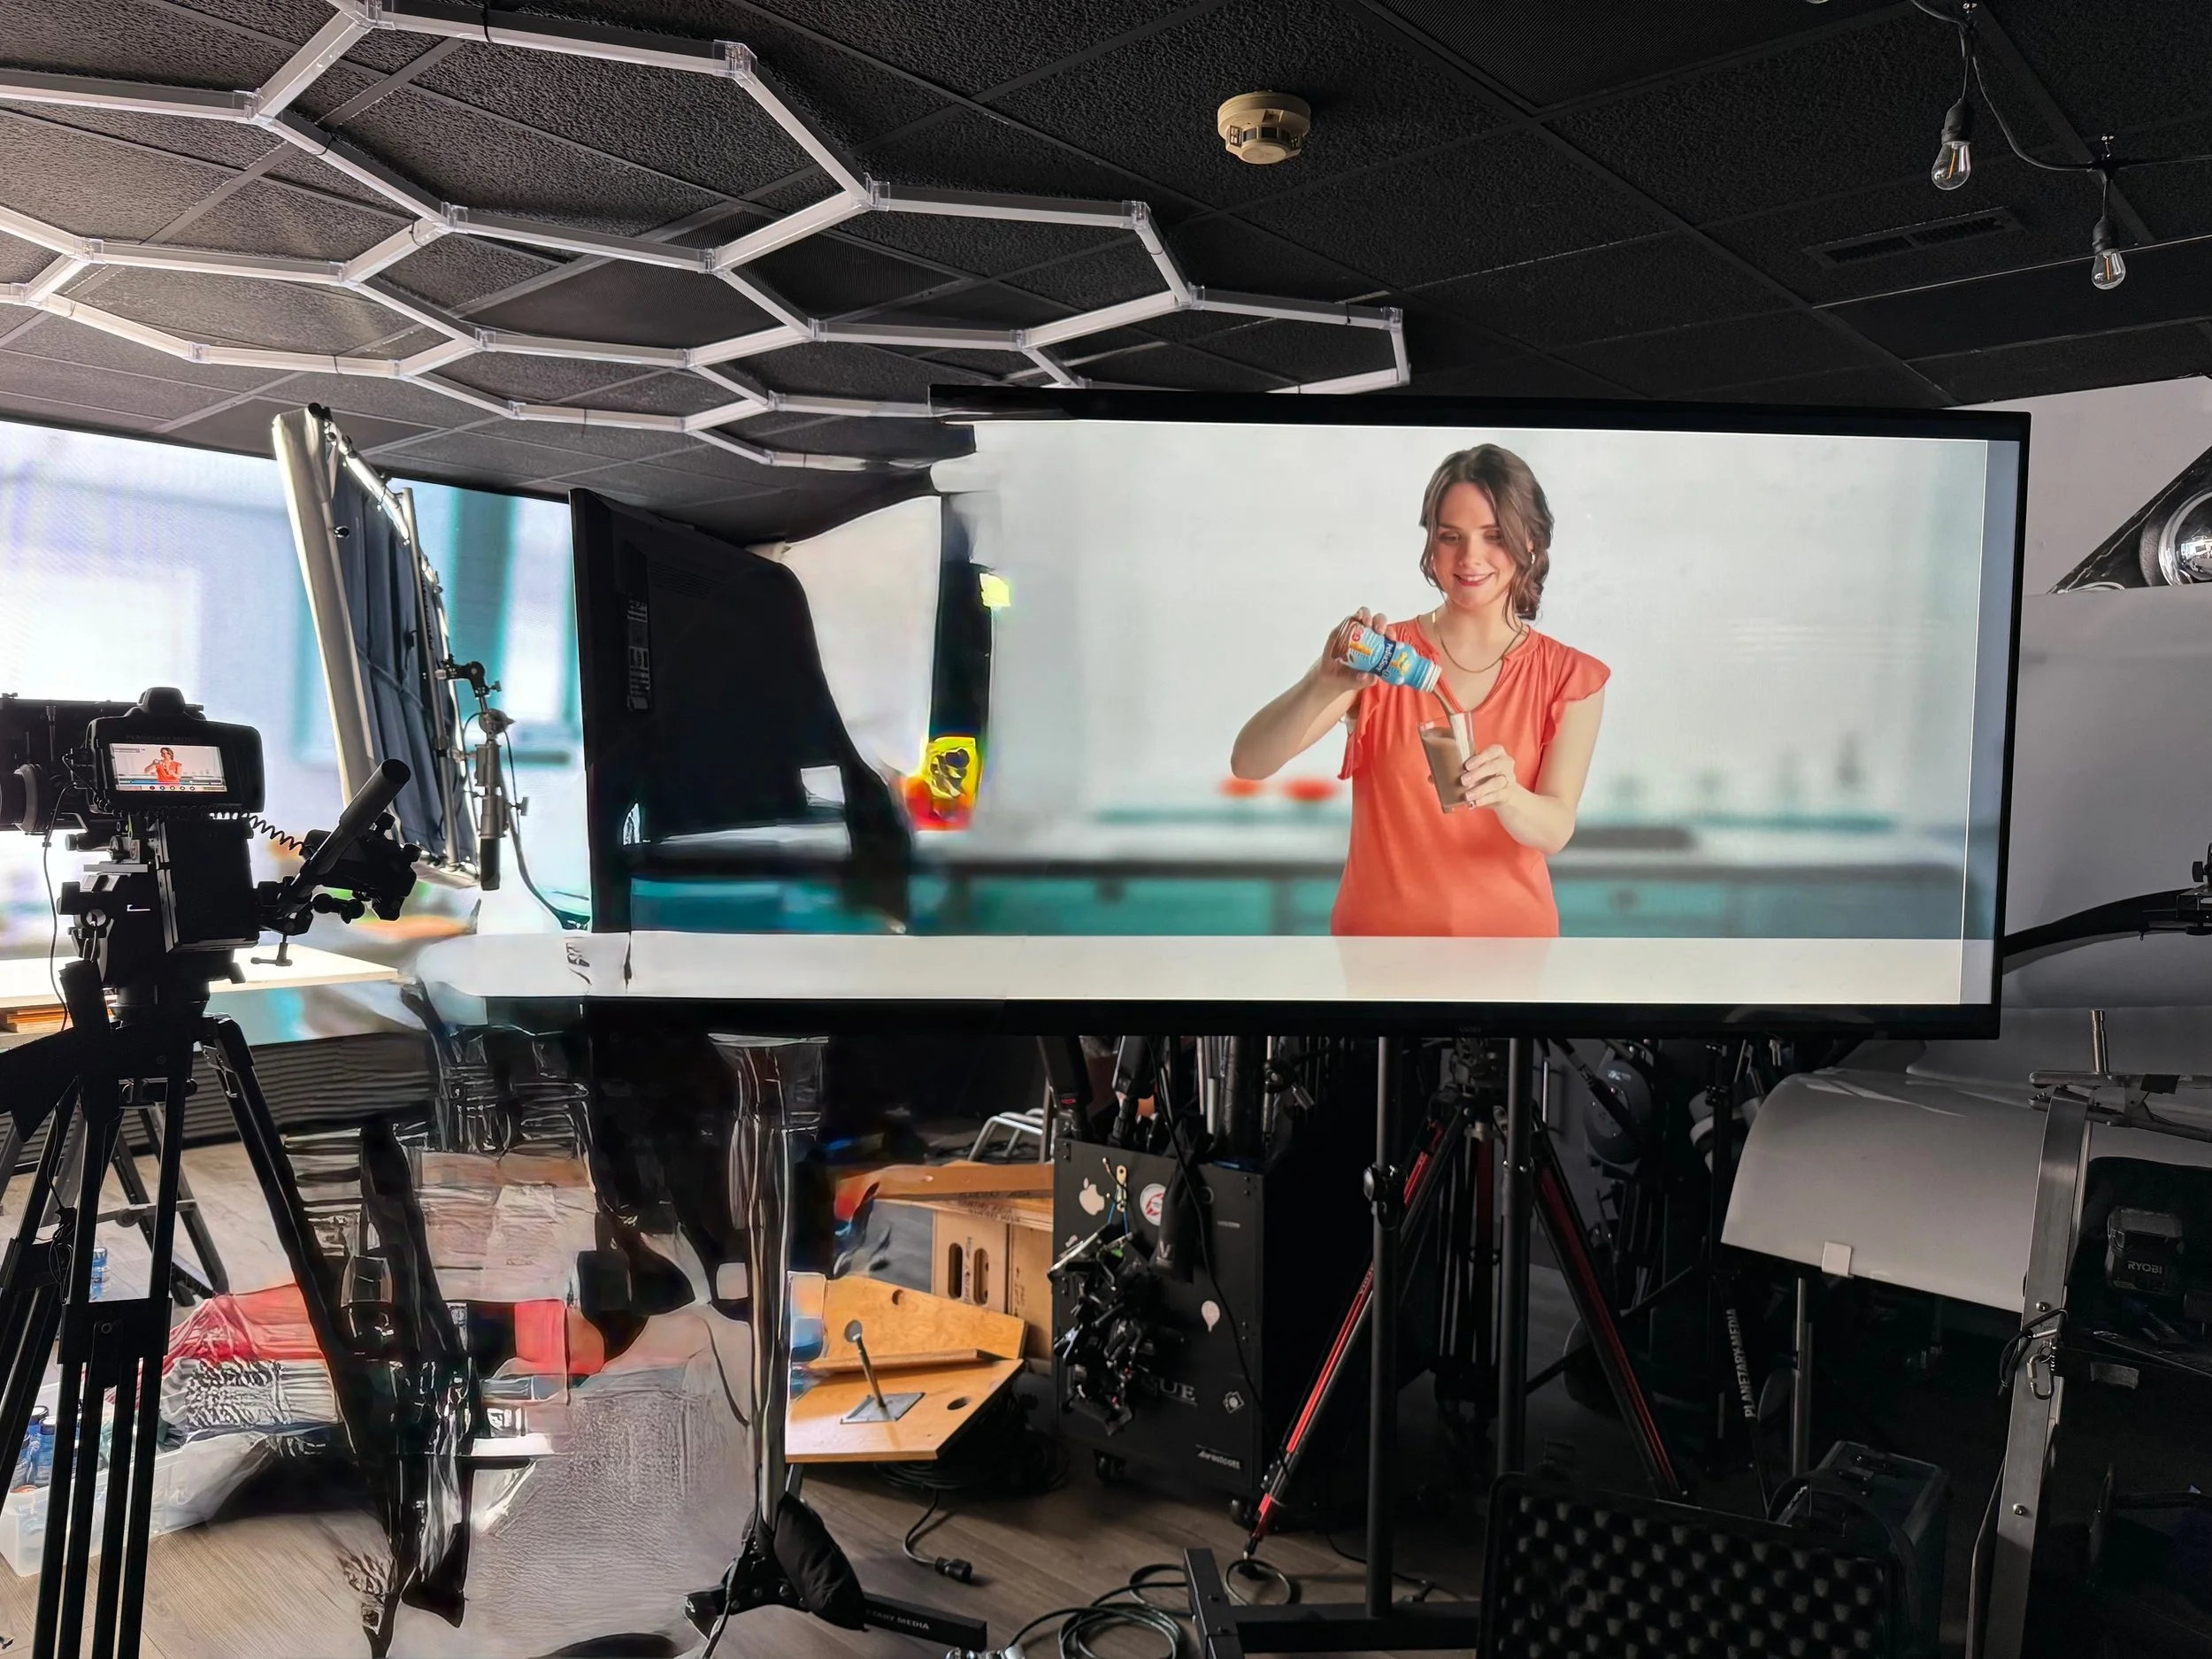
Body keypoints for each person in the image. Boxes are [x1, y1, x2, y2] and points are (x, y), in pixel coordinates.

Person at [1230, 444, 1609, 937]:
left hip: (1511, 950)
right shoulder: (1386, 659)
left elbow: (1556, 828)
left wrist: (1508, 796)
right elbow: (1249, 763)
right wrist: (1319, 686)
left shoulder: (1569, 676)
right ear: (1431, 544)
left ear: (1531, 541)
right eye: (1450, 537)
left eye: (1494, 537)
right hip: (1378, 952)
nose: (1470, 558)